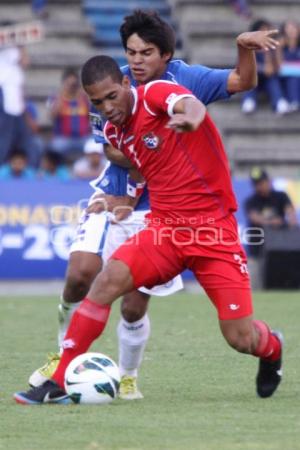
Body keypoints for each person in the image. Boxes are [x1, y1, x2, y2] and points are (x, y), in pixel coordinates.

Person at [28, 10, 281, 400]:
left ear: (164, 56)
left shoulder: (169, 86)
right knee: (97, 279)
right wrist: (123, 195)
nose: (137, 59)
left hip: (210, 227)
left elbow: (206, 97)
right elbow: (138, 157)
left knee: (237, 336)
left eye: (146, 52)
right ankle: (60, 375)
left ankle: (270, 348)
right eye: (130, 52)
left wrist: (192, 118)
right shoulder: (114, 118)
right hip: (160, 223)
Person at [241, 19, 289, 115]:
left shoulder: (273, 47)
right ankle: (249, 100)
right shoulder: (247, 47)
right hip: (253, 79)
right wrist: (262, 68)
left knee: (272, 80)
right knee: (252, 77)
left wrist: (271, 55)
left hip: (269, 79)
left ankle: (279, 101)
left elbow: (279, 68)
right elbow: (242, 67)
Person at [47, 67, 91, 159]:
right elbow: (52, 117)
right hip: (63, 139)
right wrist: (61, 97)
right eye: (69, 84)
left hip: (83, 138)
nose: (72, 87)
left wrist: (85, 96)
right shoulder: (56, 98)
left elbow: (93, 116)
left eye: (74, 84)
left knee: (96, 146)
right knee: (55, 148)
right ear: (64, 83)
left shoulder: (84, 98)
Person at [280, 20, 300, 112]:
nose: (292, 31)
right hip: (282, 77)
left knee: (294, 78)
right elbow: (278, 67)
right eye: (289, 28)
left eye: (294, 28)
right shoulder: (280, 46)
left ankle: (293, 101)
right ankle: (290, 101)